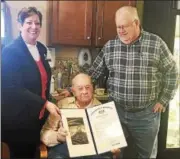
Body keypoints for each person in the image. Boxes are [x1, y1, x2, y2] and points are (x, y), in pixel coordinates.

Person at [61, 6, 179, 158]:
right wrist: (72, 90)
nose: (121, 31)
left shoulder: (156, 44)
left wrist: (163, 100)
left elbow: (173, 72)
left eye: (124, 26)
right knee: (114, 153)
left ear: (136, 23)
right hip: (116, 112)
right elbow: (93, 73)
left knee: (147, 155)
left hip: (146, 115)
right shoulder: (111, 47)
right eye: (118, 27)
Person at [1, 7, 60, 158]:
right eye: (29, 22)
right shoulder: (10, 51)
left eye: (37, 23)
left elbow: (42, 81)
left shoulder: (40, 48)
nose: (34, 27)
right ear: (20, 25)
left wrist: (50, 99)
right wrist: (45, 103)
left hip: (37, 117)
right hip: (19, 121)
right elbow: (12, 88)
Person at [41, 73, 120, 159]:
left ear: (92, 88)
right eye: (80, 88)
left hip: (94, 152)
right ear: (73, 91)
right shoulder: (62, 105)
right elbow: (44, 134)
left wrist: (114, 146)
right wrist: (58, 137)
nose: (85, 91)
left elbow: (112, 138)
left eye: (87, 87)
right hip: (65, 149)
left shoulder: (102, 109)